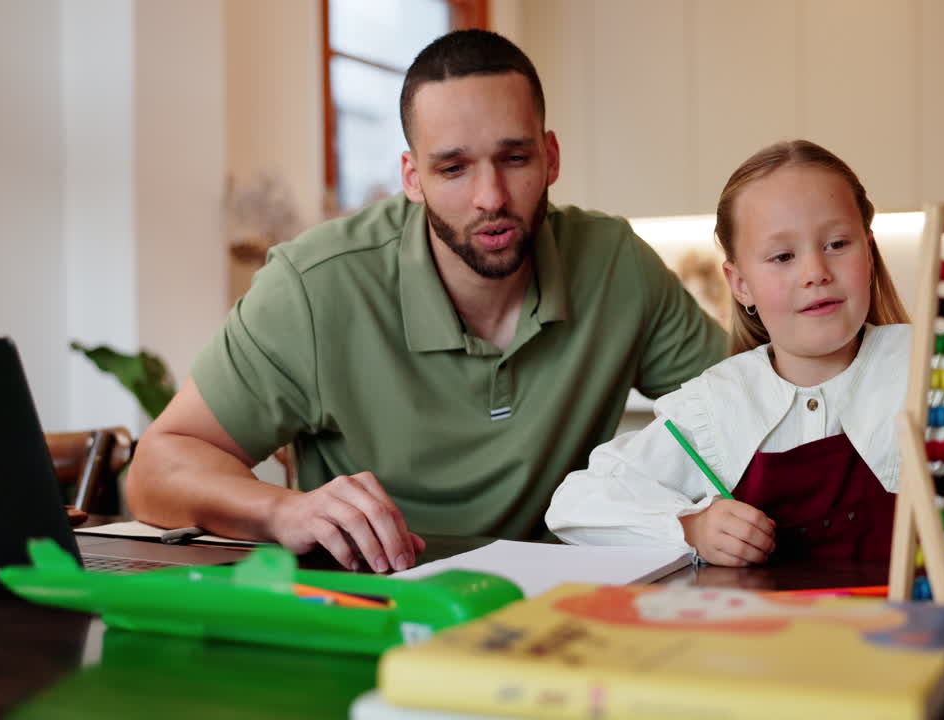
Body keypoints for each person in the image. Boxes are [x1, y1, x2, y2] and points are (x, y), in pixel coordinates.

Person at [126, 30, 727, 573]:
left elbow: (747, 414)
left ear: (551, 158)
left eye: (514, 158)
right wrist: (284, 511)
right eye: (454, 168)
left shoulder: (616, 263)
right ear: (412, 178)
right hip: (371, 609)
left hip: (559, 610)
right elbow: (158, 466)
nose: (490, 196)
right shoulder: (315, 286)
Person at [545, 139, 944, 566]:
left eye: (837, 245)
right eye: (782, 257)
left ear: (869, 252)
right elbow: (576, 505)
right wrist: (689, 528)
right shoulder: (713, 409)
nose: (815, 273)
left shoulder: (935, 371)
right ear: (739, 283)